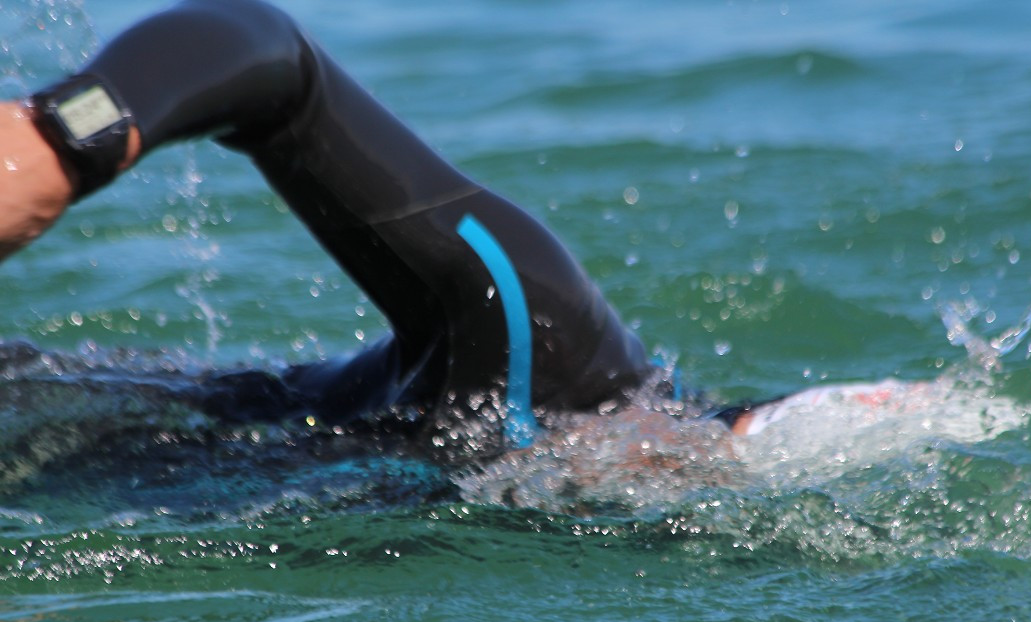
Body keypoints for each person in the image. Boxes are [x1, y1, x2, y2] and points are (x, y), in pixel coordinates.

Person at [0, 0, 918, 455]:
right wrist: (65, 140)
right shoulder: (528, 348)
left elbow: (268, 57)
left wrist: (65, 134)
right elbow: (262, 52)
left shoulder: (520, 387)